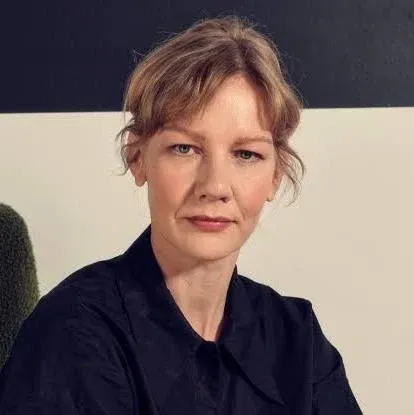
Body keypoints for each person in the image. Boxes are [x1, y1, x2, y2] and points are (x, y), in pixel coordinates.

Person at [0, 15, 362, 414]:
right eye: (185, 149)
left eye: (246, 154)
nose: (215, 185)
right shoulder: (72, 333)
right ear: (138, 158)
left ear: (276, 175)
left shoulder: (298, 339)